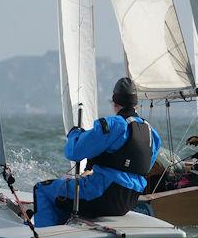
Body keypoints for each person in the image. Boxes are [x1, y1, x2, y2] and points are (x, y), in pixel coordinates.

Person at [32, 78, 162, 227]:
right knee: (70, 194)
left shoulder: (114, 125)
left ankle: (45, 235)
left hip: (102, 196)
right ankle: (65, 224)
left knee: (42, 189)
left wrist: (75, 133)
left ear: (115, 103)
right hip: (128, 201)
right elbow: (141, 167)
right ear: (135, 104)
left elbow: (74, 152)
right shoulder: (153, 133)